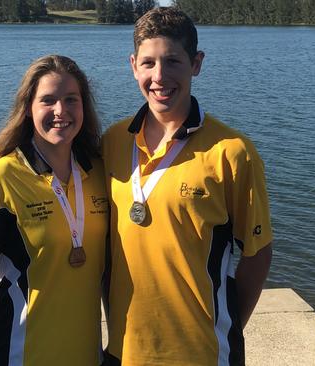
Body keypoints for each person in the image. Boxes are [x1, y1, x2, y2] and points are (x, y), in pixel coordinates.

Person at [101, 7, 273, 366]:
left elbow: (257, 253)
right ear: (133, 65)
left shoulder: (232, 152)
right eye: (148, 63)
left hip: (204, 353)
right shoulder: (113, 142)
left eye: (173, 61)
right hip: (124, 351)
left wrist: (226, 324)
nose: (159, 76)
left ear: (196, 63)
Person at [0, 55, 108, 366]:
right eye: (48, 100)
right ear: (28, 108)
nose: (61, 111)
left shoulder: (98, 172)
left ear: (84, 107)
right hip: (20, 355)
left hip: (86, 356)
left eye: (71, 100)